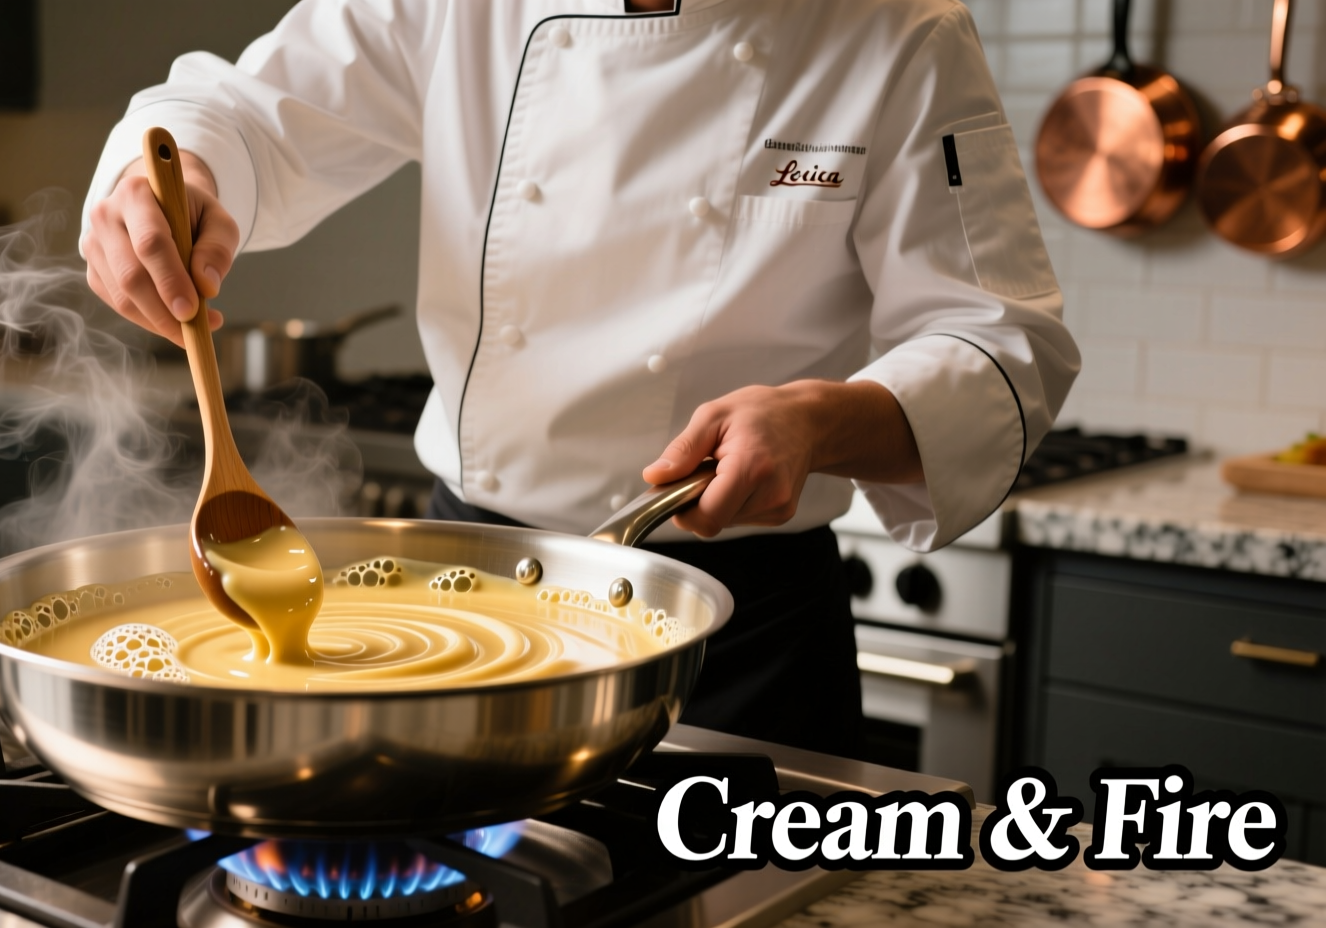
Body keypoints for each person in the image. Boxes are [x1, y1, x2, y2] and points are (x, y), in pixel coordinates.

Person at [79, 0, 1079, 758]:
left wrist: (823, 418)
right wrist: (178, 176)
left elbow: (1001, 341)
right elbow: (246, 114)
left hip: (727, 637)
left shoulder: (897, 28)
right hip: (460, 607)